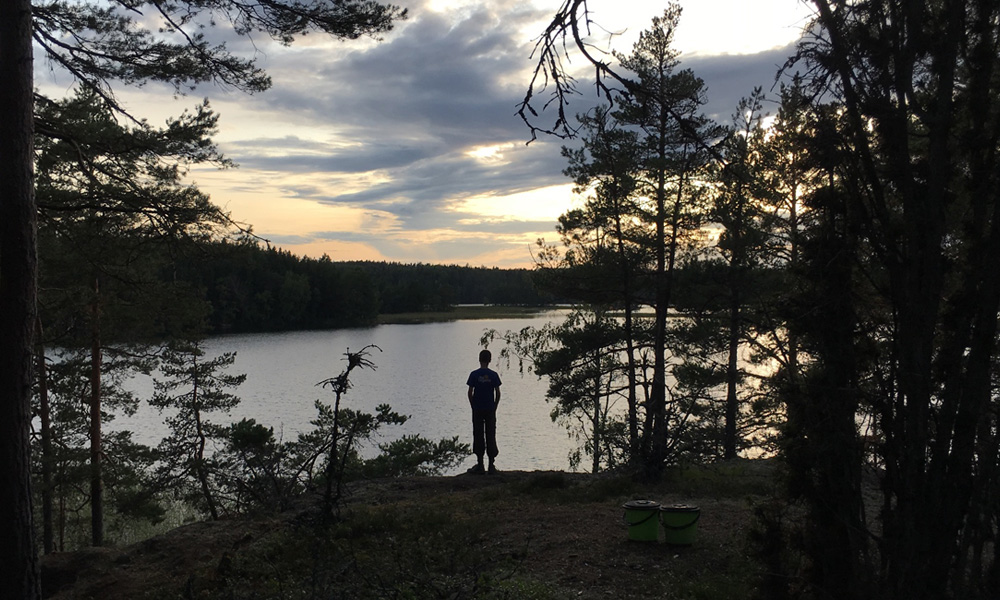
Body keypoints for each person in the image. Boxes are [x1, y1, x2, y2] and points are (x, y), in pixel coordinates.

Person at [466, 349, 502, 474]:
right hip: (490, 409)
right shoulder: (493, 375)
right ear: (490, 360)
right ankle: (491, 465)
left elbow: (470, 393)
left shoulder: (474, 374)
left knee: (478, 434)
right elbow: (498, 393)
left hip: (478, 409)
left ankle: (480, 464)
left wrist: (473, 406)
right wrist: (495, 406)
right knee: (491, 434)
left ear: (479, 359)